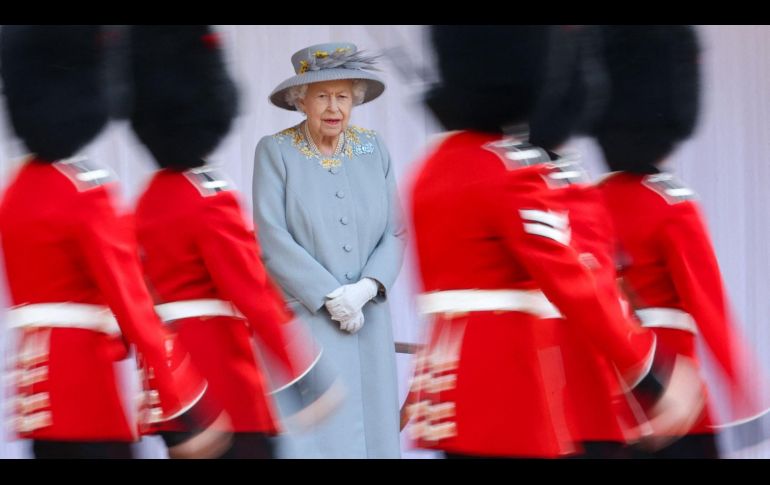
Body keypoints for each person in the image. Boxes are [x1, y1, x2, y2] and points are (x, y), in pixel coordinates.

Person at [405, 25, 706, 459]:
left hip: (446, 392)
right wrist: (649, 373)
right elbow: (573, 280)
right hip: (511, 394)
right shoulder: (506, 172)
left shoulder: (429, 169)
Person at [0, 25, 224, 459]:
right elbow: (132, 306)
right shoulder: (86, 191)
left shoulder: (13, 194)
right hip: (90, 398)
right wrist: (184, 412)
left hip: (36, 405)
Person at [129, 25, 342, 459]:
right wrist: (304, 375)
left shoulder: (146, 201)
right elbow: (251, 291)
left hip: (172, 386)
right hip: (225, 385)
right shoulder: (209, 197)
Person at [594, 25, 766, 458]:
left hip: (609, 404)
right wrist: (751, 407)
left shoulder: (585, 205)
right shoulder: (673, 206)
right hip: (679, 405)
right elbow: (711, 311)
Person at [253, 42, 406, 458]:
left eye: (342, 95)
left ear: (354, 99)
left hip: (370, 319)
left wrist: (366, 288)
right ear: (300, 100)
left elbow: (394, 232)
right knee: (319, 439)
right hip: (309, 321)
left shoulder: (373, 148)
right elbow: (271, 235)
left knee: (375, 434)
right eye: (321, 95)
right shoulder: (276, 151)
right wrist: (329, 295)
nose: (333, 106)